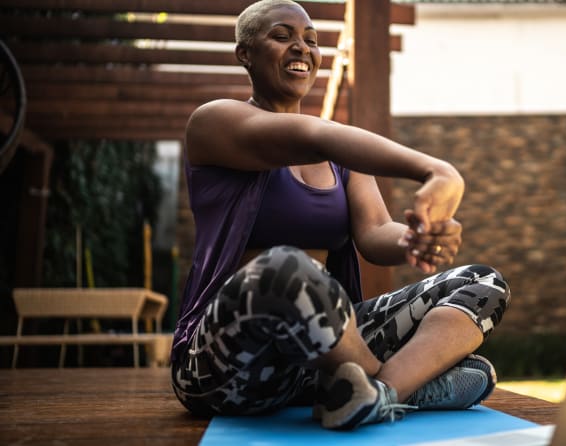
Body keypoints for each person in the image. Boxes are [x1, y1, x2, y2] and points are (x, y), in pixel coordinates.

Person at [170, 0, 511, 431]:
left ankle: (377, 393)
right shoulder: (215, 122)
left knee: (482, 282)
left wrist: (416, 237)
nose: (302, 48)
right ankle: (405, 385)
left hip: (318, 359)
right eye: (282, 36)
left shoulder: (340, 160)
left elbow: (374, 234)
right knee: (284, 265)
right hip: (224, 367)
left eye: (311, 41)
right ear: (245, 53)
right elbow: (315, 135)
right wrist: (438, 171)